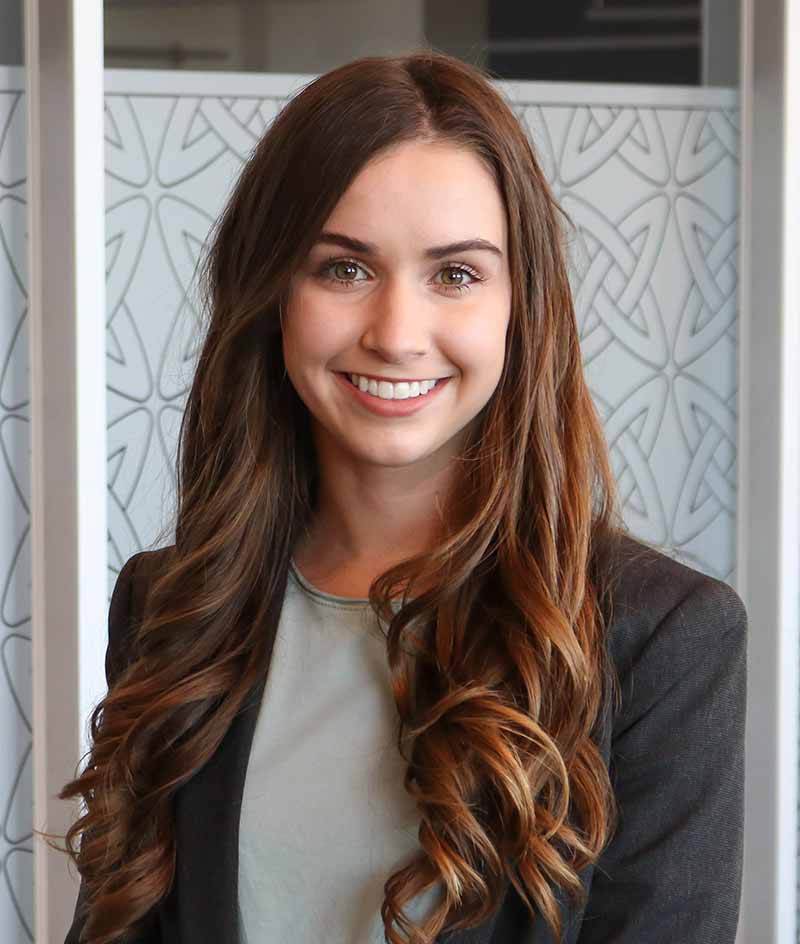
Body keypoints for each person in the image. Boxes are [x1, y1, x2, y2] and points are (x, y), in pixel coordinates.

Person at [55, 49, 747, 944]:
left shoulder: (661, 639)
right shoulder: (170, 607)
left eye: (455, 274)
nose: (396, 334)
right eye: (344, 269)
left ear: (521, 306)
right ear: (272, 292)